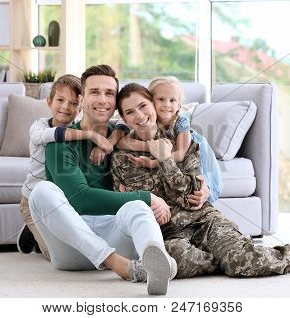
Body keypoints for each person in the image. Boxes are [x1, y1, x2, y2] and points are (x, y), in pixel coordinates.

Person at [111, 83, 290, 279]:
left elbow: (188, 193)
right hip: (169, 233)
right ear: (122, 117)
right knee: (174, 265)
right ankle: (230, 255)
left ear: (153, 105)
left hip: (202, 219)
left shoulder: (185, 141)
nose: (140, 115)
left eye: (143, 106)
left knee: (242, 265)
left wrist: (165, 160)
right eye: (130, 112)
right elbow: (130, 201)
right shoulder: (122, 156)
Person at [28, 65, 211, 295]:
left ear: (116, 103)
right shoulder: (61, 142)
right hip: (71, 248)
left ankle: (156, 261)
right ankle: (117, 264)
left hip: (117, 234)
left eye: (109, 93)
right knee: (42, 191)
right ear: (82, 99)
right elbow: (79, 199)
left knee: (136, 206)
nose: (102, 99)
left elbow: (183, 158)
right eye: (95, 92)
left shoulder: (124, 136)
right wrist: (147, 197)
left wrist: (204, 186)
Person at [18, 74, 126, 261]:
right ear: (49, 102)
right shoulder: (40, 126)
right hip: (34, 200)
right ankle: (32, 231)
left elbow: (122, 123)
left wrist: (109, 140)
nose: (66, 107)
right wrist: (92, 136)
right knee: (56, 254)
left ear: (81, 105)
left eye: (74, 103)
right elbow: (50, 136)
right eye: (60, 100)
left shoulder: (75, 127)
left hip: (62, 198)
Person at [117, 76, 222, 203]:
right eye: (161, 99)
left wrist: (153, 162)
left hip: (198, 150)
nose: (167, 104)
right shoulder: (147, 119)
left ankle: (207, 197)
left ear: (179, 105)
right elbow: (122, 142)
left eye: (172, 100)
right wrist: (150, 146)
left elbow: (181, 154)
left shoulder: (181, 122)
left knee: (202, 184)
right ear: (151, 100)